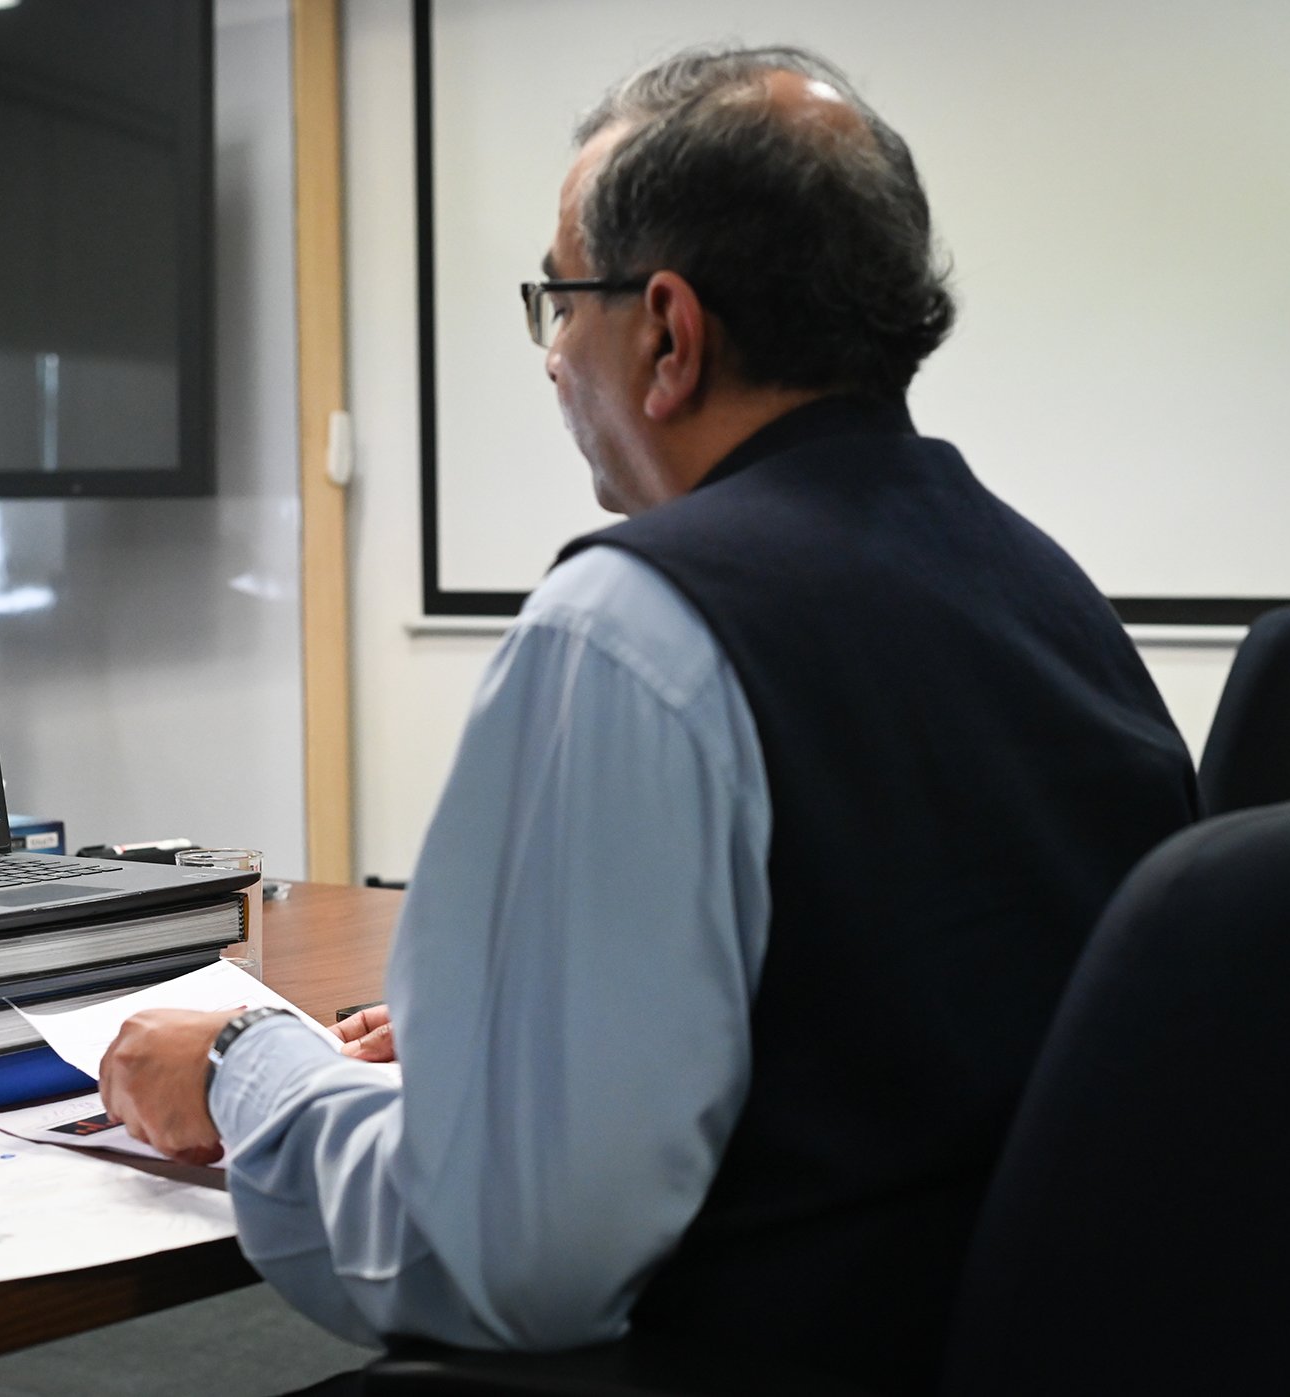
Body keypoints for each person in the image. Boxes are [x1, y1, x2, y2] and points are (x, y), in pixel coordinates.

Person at [99, 45, 1196, 1393]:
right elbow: (879, 1010)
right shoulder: (1039, 584)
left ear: (669, 335)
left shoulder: (629, 632)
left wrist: (244, 1066)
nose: (555, 359)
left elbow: (501, 1261)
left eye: (561, 303)